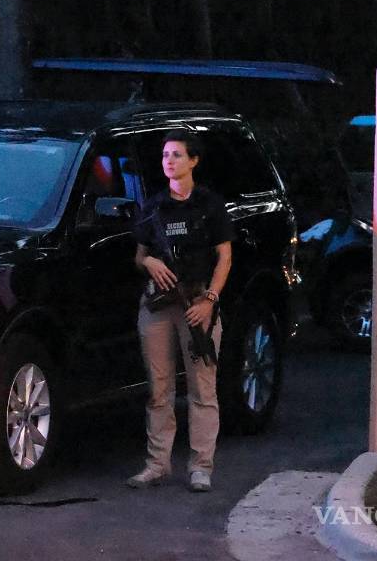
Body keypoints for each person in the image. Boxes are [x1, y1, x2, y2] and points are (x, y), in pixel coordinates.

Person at [127, 129, 233, 493]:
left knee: (202, 388)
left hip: (197, 301)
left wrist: (210, 300)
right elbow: (139, 254)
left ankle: (201, 466)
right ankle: (157, 464)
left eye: (176, 155)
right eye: (165, 155)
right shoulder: (154, 206)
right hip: (159, 303)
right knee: (159, 389)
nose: (169, 161)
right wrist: (150, 262)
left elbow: (224, 256)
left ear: (193, 160)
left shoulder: (209, 204)